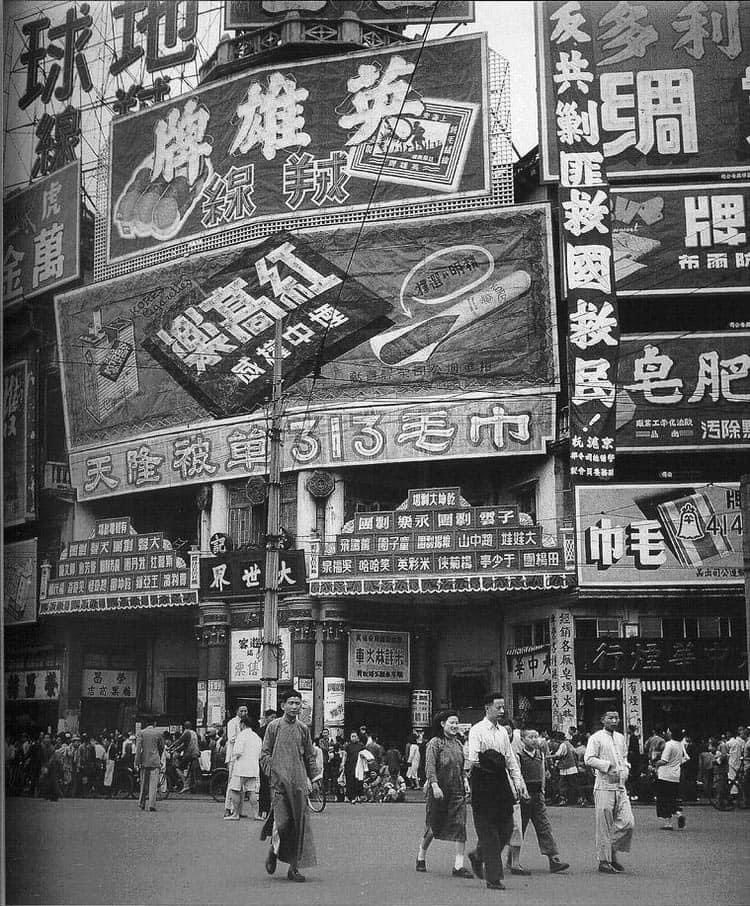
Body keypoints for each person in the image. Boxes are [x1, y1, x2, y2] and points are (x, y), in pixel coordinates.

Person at [466, 693, 528, 891]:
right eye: (498, 707)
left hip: (501, 783)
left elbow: (510, 758)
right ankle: (493, 877)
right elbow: (474, 758)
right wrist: (491, 760)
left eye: (503, 708)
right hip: (483, 782)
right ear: (487, 708)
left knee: (506, 828)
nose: (501, 711)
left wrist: (518, 782)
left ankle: (478, 855)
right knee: (488, 832)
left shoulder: (502, 732)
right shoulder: (476, 730)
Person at [260, 689, 323, 883]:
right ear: (283, 706)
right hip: (279, 785)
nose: (295, 707)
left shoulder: (303, 729)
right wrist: (274, 772)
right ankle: (273, 851)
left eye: (298, 703)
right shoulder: (274, 726)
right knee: (282, 824)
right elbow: (264, 754)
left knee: (299, 826)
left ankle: (294, 868)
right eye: (291, 703)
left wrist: (314, 777)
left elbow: (310, 756)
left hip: (298, 784)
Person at [415, 710, 473, 879]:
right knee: (434, 827)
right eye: (451, 723)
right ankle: (421, 856)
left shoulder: (459, 744)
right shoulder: (435, 743)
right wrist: (435, 786)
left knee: (461, 826)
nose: (454, 726)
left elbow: (462, 768)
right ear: (442, 724)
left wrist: (466, 782)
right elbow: (430, 767)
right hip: (439, 791)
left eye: (456, 723)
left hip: (457, 791)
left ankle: (458, 866)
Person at [513, 728, 569, 874]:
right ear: (523, 740)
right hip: (524, 797)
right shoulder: (518, 756)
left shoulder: (540, 755)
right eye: (530, 737)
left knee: (544, 827)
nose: (534, 739)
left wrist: (543, 791)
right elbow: (517, 775)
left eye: (536, 737)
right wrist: (520, 794)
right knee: (519, 830)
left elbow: (543, 774)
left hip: (538, 797)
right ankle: (512, 861)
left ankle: (553, 860)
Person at [584, 711, 634, 874]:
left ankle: (611, 851)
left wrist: (625, 768)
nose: (614, 721)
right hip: (604, 785)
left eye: (616, 718)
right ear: (602, 720)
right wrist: (607, 766)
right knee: (604, 825)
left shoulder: (620, 738)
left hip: (620, 785)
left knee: (628, 822)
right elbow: (589, 758)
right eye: (610, 718)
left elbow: (625, 757)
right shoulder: (596, 738)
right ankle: (604, 860)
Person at [227, 715, 263, 820]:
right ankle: (256, 814)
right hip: (253, 768)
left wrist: (233, 759)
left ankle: (235, 814)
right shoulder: (256, 737)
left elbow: (237, 752)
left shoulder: (241, 736)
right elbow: (260, 754)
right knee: (251, 791)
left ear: (242, 724)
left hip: (241, 768)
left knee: (234, 790)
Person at [654, 726, 687, 830]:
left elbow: (664, 760)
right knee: (672, 798)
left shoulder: (669, 745)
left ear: (671, 733)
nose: (666, 733)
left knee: (663, 799)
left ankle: (668, 823)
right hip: (675, 775)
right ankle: (678, 813)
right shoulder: (680, 745)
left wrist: (655, 764)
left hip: (665, 775)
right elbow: (684, 759)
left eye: (668, 731)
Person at [223, 704, 249, 818]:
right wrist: (243, 738)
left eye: (245, 711)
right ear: (237, 711)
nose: (244, 713)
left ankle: (238, 810)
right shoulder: (232, 723)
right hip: (234, 756)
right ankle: (228, 808)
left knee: (242, 786)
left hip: (244, 757)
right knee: (232, 784)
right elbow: (232, 738)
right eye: (241, 710)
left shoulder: (246, 723)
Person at [135, 721, 164, 812]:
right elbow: (161, 747)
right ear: (154, 724)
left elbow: (138, 748)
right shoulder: (158, 733)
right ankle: (152, 804)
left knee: (143, 784)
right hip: (155, 761)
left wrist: (137, 761)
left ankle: (141, 803)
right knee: (153, 785)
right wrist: (158, 755)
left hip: (144, 760)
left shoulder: (141, 733)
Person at [170, 721, 200, 792]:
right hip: (195, 753)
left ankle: (185, 783)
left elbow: (179, 741)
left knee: (177, 767)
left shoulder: (186, 732)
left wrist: (170, 747)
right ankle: (187, 784)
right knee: (188, 769)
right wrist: (177, 749)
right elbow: (184, 745)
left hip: (189, 754)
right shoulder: (194, 733)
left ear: (184, 727)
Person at [341, 730, 364, 803]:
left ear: (358, 737)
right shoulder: (347, 746)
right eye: (352, 736)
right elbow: (345, 755)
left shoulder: (361, 746)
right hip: (349, 766)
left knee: (358, 781)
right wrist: (342, 763)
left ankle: (358, 796)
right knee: (349, 781)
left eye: (355, 736)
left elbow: (364, 755)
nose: (353, 738)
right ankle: (349, 797)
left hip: (359, 766)